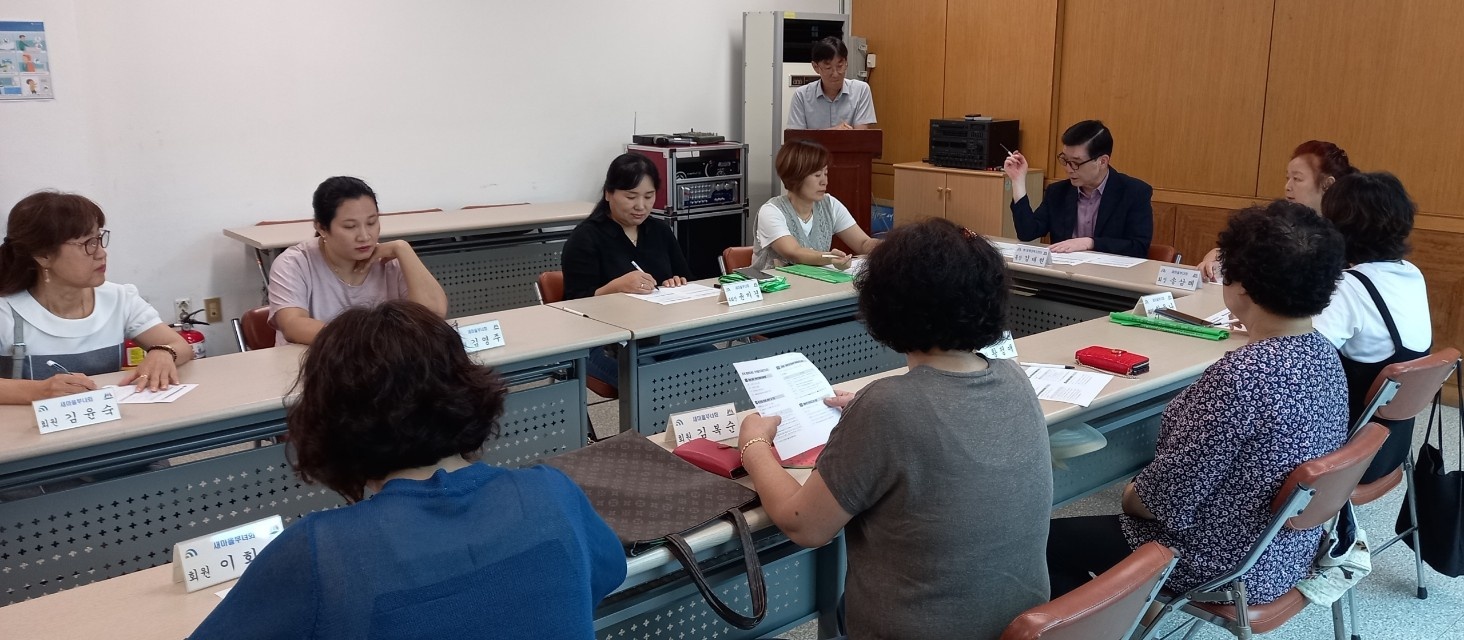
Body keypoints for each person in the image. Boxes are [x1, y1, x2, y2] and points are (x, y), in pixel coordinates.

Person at [189, 300, 626, 640]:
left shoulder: (318, 552)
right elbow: (605, 574)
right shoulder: (552, 492)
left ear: (327, 425)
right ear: (468, 390)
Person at [737, 218, 1051, 639]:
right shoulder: (1014, 376)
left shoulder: (888, 406)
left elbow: (804, 526)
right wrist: (872, 411)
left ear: (886, 304)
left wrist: (755, 444)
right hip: (1016, 625)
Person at [1046, 201, 1349, 604]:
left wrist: (1130, 493)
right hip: (1285, 553)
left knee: (1042, 545)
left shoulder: (1241, 377)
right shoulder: (1324, 353)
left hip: (1217, 563)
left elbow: (1156, 505)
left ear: (1242, 285)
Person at [0, 191, 193, 404]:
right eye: (88, 244)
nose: (101, 253)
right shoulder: (6, 310)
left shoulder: (119, 298)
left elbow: (179, 345)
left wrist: (163, 353)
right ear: (43, 255)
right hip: (28, 424)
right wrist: (38, 391)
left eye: (99, 239)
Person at [1315, 172, 1430, 483]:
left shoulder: (1351, 287)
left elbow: (1299, 355)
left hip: (1345, 458)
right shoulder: (1411, 273)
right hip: (1392, 447)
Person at [562, 153, 694, 390]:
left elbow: (685, 278)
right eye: (631, 197)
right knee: (652, 380)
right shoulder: (586, 238)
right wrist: (615, 287)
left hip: (658, 333)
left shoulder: (659, 231)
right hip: (603, 342)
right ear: (608, 194)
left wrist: (676, 283)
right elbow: (573, 307)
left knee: (712, 360)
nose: (641, 206)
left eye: (649, 196)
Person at [268, 176, 448, 346]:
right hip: (313, 362)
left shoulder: (389, 260)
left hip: (380, 362)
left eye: (371, 223)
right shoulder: (294, 263)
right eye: (350, 226)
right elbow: (293, 325)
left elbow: (434, 314)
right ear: (321, 228)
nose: (364, 236)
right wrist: (368, 341)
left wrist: (403, 249)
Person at [1198, 140, 1357, 280]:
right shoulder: (1277, 221)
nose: (1287, 187)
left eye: (1297, 179)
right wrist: (1214, 260)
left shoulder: (1347, 235)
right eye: (1287, 178)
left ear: (1327, 185)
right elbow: (1234, 253)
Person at [1003, 120, 1153, 258]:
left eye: (1076, 162)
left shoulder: (1134, 192)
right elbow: (1027, 232)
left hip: (1110, 276)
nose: (1068, 169)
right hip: (1063, 275)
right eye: (1065, 160)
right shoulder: (1058, 192)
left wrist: (1090, 243)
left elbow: (1138, 247)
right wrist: (1018, 181)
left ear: (1102, 161)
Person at [751, 140, 879, 271]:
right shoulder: (771, 211)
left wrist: (888, 247)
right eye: (817, 175)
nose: (824, 181)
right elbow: (794, 252)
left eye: (826, 173)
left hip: (814, 283)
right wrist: (830, 258)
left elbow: (863, 243)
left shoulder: (830, 204)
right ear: (795, 176)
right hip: (770, 283)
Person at [787, 36, 876, 130]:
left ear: (846, 63)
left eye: (840, 66)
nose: (835, 74)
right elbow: (797, 137)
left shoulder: (861, 90)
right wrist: (835, 131)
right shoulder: (801, 96)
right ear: (815, 67)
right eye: (828, 68)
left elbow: (861, 135)